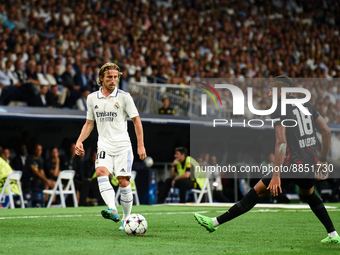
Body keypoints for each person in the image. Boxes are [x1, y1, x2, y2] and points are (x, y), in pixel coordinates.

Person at [194, 75, 340, 244]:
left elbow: (281, 143)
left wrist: (276, 175)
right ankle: (333, 234)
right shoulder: (306, 104)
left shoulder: (279, 108)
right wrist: (322, 161)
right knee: (309, 194)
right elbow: (327, 132)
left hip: (293, 165)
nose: (269, 93)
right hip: (310, 163)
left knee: (256, 191)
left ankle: (214, 223)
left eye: (271, 90)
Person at [75, 62, 146, 231]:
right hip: (104, 145)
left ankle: (126, 219)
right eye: (109, 77)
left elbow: (137, 121)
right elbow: (89, 124)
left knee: (123, 182)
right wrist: (79, 141)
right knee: (101, 172)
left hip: (123, 146)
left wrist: (140, 145)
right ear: (101, 78)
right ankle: (112, 208)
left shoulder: (124, 97)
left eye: (116, 77)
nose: (113, 80)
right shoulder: (92, 98)